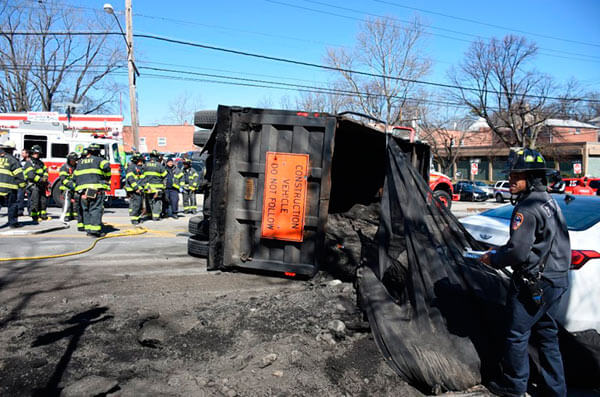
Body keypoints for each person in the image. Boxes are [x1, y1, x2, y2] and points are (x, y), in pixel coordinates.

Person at [481, 148, 570, 397]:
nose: (509, 181)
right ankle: (556, 390)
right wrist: (502, 249)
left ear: (530, 178)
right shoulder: (549, 202)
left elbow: (519, 254)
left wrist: (494, 259)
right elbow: (542, 243)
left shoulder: (527, 208)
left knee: (517, 335)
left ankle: (514, 386)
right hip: (556, 281)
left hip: (534, 284)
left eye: (515, 176)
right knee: (548, 336)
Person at [74, 143, 111, 237]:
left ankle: (88, 230)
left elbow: (75, 177)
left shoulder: (80, 162)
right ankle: (95, 231)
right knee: (95, 209)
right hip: (95, 190)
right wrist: (106, 178)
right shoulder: (100, 160)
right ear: (98, 152)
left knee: (86, 209)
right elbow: (107, 167)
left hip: (82, 191)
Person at [0, 140, 25, 228]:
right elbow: (19, 175)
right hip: (9, 188)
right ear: (12, 150)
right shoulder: (13, 161)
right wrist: (23, 186)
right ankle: (13, 223)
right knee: (12, 205)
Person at [23, 144, 49, 222]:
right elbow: (31, 175)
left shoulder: (41, 163)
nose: (36, 155)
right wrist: (41, 179)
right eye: (35, 153)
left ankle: (43, 215)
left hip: (41, 185)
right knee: (35, 201)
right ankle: (35, 217)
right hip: (33, 185)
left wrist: (45, 177)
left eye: (37, 153)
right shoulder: (29, 163)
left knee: (43, 200)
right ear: (32, 153)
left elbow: (46, 171)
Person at [141, 150, 166, 221]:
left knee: (148, 201)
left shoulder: (145, 165)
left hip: (148, 187)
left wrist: (143, 186)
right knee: (157, 201)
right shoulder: (159, 165)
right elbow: (164, 176)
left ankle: (149, 215)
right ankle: (155, 216)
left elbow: (142, 177)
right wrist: (163, 186)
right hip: (157, 188)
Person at [57, 152, 79, 222]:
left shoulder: (77, 167)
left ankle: (75, 215)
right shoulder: (64, 167)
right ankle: (66, 215)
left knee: (76, 201)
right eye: (72, 160)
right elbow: (63, 179)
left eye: (75, 160)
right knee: (67, 202)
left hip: (75, 188)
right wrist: (71, 185)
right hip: (66, 188)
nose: (74, 162)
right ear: (69, 160)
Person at [125, 153, 144, 225]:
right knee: (136, 204)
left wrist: (145, 187)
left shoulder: (140, 167)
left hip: (139, 189)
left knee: (139, 204)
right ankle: (134, 219)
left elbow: (143, 179)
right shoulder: (131, 167)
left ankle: (137, 217)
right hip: (133, 189)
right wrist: (136, 188)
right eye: (140, 160)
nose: (141, 162)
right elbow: (131, 179)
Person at [17, 148, 29, 216]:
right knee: (20, 197)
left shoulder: (30, 162)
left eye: (23, 153)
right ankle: (20, 211)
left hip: (28, 182)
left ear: (27, 154)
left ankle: (30, 212)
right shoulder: (20, 162)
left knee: (30, 198)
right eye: (22, 153)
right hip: (21, 182)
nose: (22, 154)